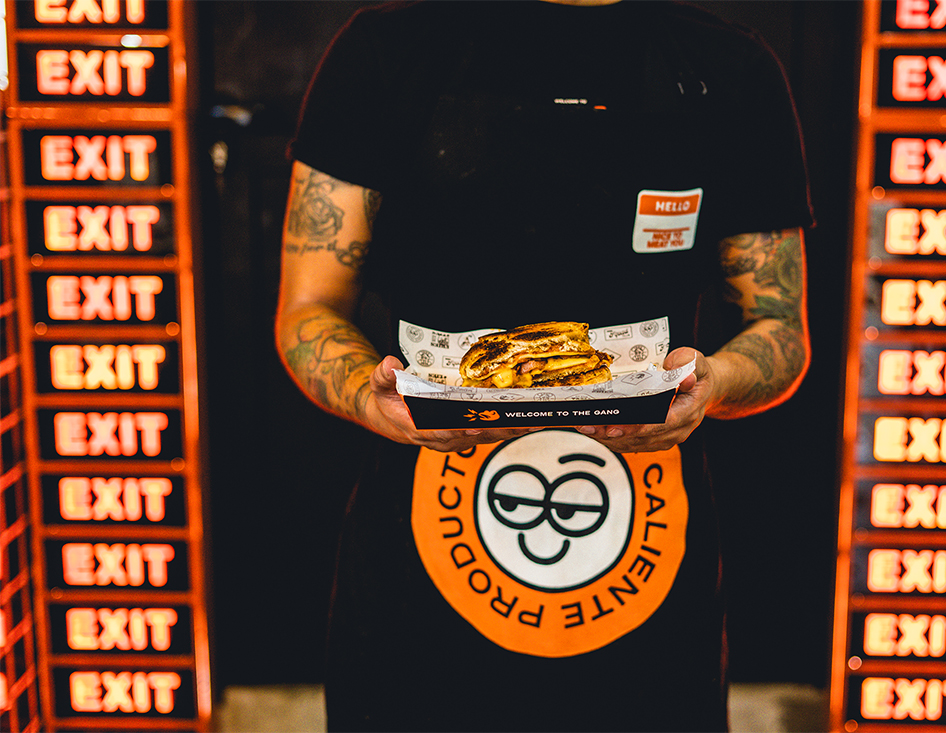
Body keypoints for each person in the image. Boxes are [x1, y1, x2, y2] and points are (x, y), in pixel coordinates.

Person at [276, 1, 813, 730]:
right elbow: (308, 309)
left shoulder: (727, 68)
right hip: (416, 578)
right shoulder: (385, 52)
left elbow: (779, 329)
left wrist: (713, 384)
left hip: (649, 574)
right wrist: (366, 396)